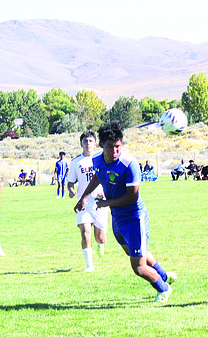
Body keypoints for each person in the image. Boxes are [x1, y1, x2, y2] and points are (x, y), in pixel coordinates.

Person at [75, 121, 177, 303]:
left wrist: (106, 202)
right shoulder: (97, 160)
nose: (114, 151)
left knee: (138, 267)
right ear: (101, 146)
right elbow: (99, 174)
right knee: (135, 252)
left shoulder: (129, 164)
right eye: (110, 147)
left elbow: (132, 197)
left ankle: (163, 288)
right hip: (117, 218)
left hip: (134, 218)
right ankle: (164, 276)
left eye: (117, 147)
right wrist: (84, 196)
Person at [67, 131, 110, 272]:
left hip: (100, 202)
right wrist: (71, 190)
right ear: (81, 144)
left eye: (91, 141)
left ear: (95, 143)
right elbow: (70, 182)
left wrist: (106, 190)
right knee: (85, 232)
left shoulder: (102, 159)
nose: (88, 144)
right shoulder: (76, 162)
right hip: (83, 203)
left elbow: (110, 177)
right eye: (85, 141)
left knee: (100, 237)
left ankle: (100, 243)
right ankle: (89, 265)